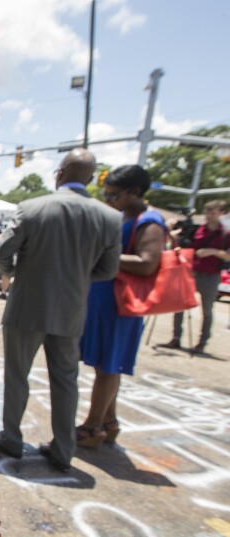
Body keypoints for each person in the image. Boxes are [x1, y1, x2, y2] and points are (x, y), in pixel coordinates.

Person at [0, 148, 122, 473]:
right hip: (71, 310)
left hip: (27, 306)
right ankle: (63, 449)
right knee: (66, 380)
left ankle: (11, 437)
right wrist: (77, 279)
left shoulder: (33, 208)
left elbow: (2, 251)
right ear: (90, 177)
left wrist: (14, 271)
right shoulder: (109, 218)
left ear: (60, 172)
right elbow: (108, 270)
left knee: (17, 375)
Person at [77, 165, 167, 448]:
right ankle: (109, 421)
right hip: (106, 301)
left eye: (114, 195)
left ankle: (92, 427)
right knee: (107, 365)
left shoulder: (149, 221)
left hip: (121, 305)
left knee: (108, 368)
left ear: (135, 192)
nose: (109, 200)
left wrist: (102, 255)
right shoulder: (126, 216)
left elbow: (147, 263)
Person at [164, 199, 229, 354]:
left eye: (213, 212)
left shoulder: (226, 234)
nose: (209, 216)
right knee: (179, 305)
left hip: (211, 275)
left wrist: (212, 252)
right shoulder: (197, 230)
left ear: (221, 213)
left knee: (207, 311)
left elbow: (228, 256)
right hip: (191, 272)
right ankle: (176, 338)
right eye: (207, 212)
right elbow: (184, 247)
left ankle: (202, 342)